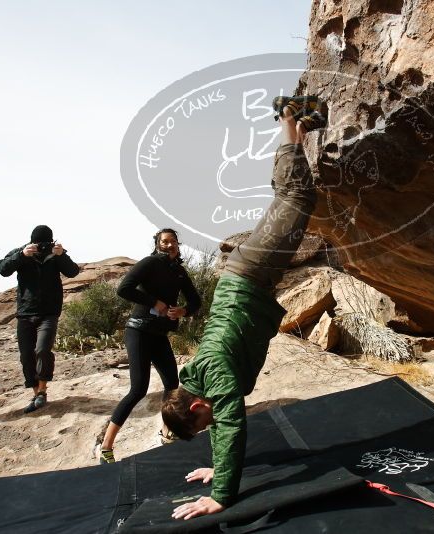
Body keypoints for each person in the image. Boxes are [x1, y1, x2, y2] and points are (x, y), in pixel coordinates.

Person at [161, 96, 325, 520]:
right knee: (289, 197)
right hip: (245, 278)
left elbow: (231, 424)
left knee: (298, 195)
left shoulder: (215, 376)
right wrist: (217, 467)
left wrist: (222, 494)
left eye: (203, 422)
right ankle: (299, 129)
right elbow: (220, 422)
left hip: (250, 274)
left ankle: (288, 117)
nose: (211, 423)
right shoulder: (196, 381)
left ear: (196, 406)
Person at [98, 228, 202, 464]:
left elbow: (195, 301)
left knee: (172, 385)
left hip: (159, 334)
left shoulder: (179, 271)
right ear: (157, 244)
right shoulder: (150, 263)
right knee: (138, 389)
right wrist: (154, 302)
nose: (170, 245)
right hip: (138, 331)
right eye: (164, 241)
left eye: (173, 241)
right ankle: (106, 447)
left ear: (178, 245)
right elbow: (124, 288)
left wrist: (183, 310)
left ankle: (166, 433)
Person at [0, 225, 80, 413]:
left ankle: (42, 390)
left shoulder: (56, 254)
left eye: (45, 243)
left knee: (42, 350)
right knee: (27, 355)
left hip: (49, 312)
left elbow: (73, 272)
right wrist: (21, 255)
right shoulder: (22, 252)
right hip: (25, 313)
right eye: (38, 243)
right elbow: (2, 269)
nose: (42, 246)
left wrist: (61, 255)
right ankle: (36, 394)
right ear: (32, 241)